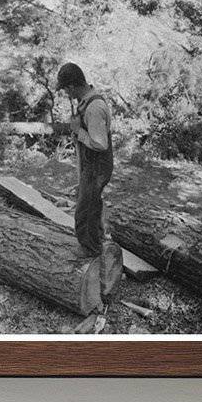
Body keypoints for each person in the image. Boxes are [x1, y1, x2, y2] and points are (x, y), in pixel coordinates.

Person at [54, 63, 113, 257]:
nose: (66, 94)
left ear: (71, 86)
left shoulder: (94, 108)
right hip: (91, 163)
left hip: (97, 164)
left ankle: (90, 250)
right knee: (92, 203)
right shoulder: (86, 102)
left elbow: (100, 144)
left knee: (84, 210)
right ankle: (97, 242)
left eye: (65, 90)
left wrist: (78, 131)